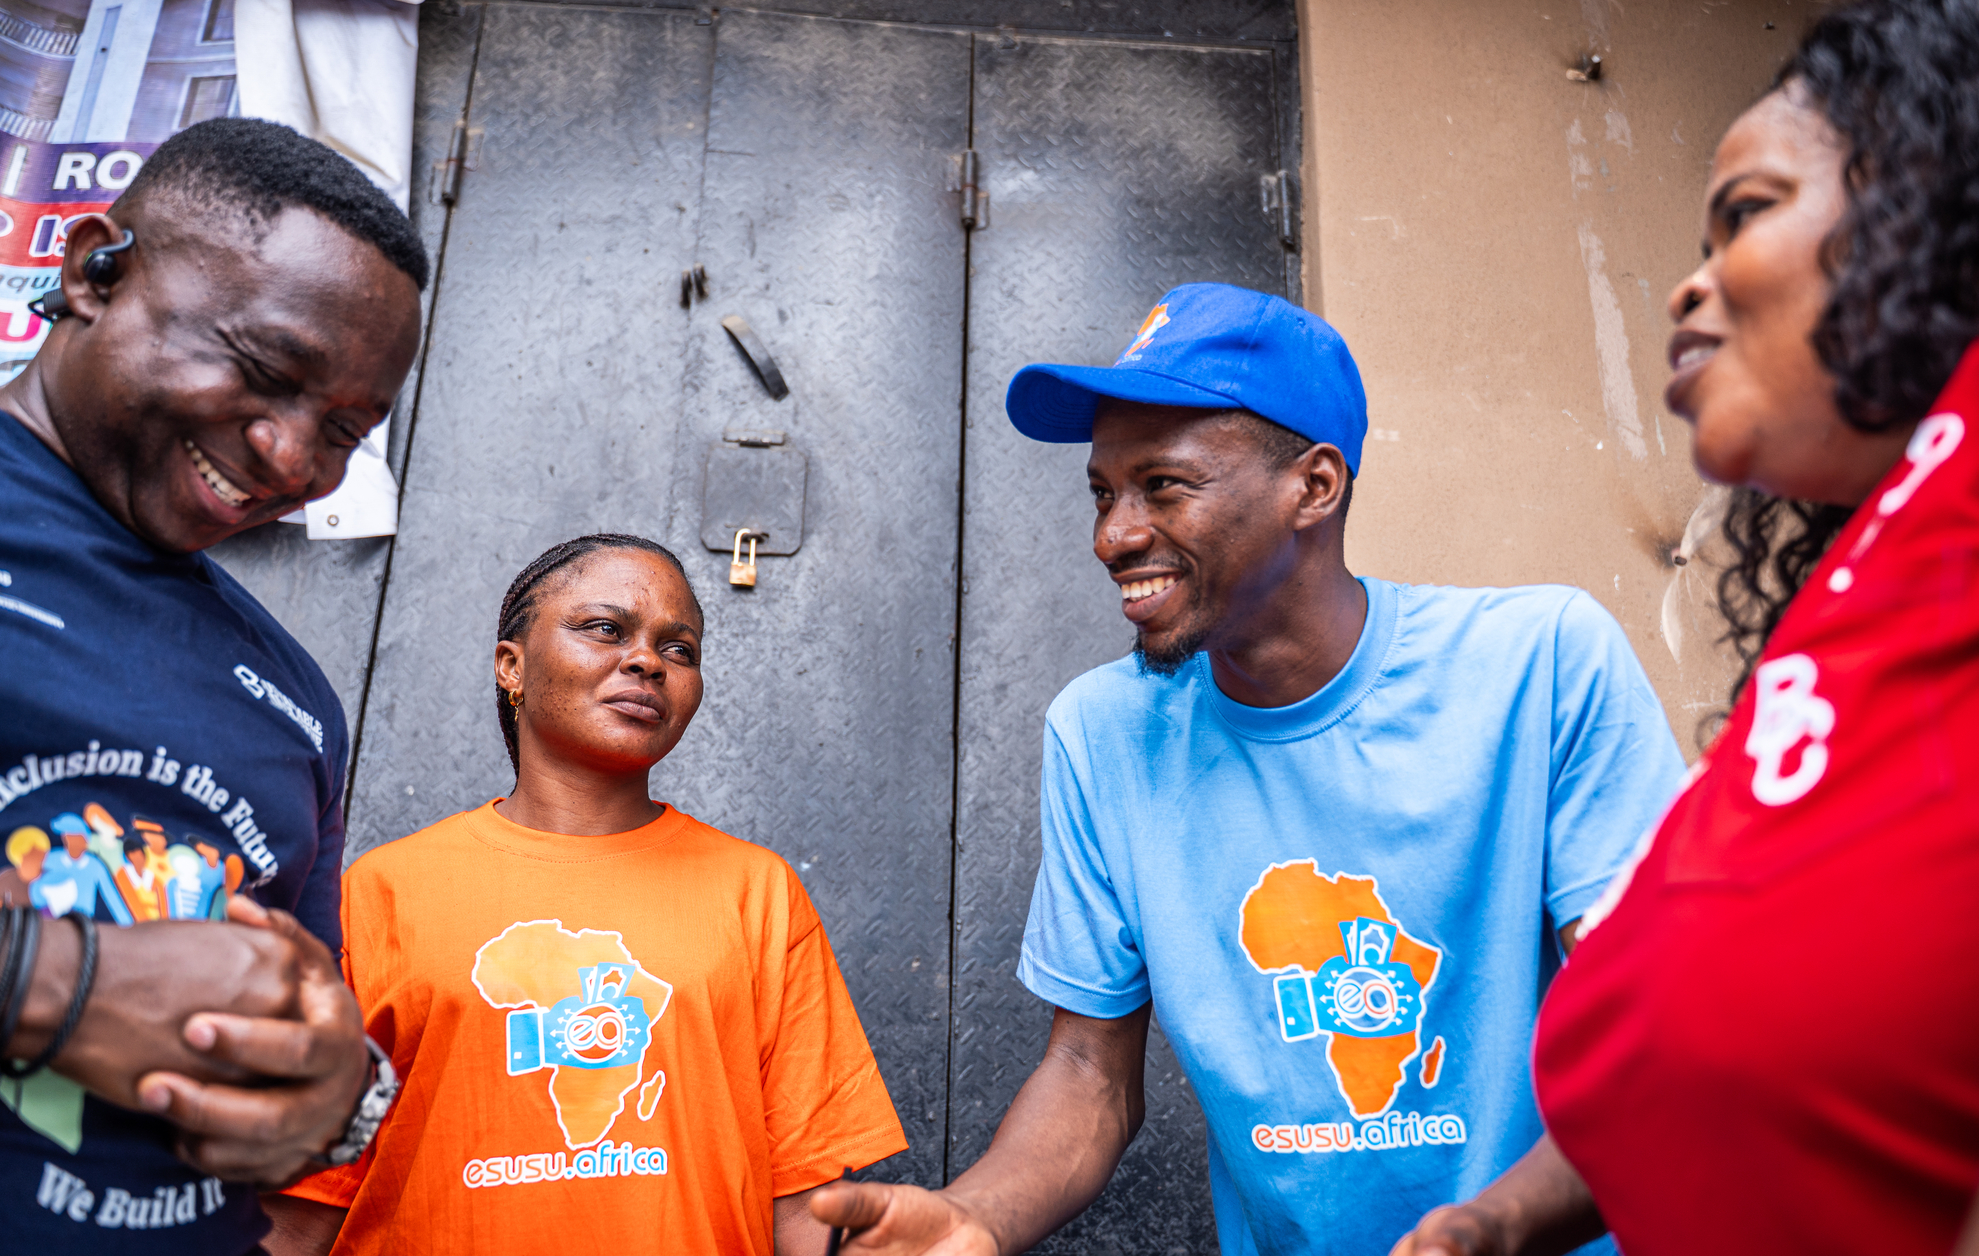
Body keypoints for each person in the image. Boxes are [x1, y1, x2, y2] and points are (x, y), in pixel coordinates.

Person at [809, 283, 1687, 1255]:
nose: (1111, 534)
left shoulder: (1538, 663)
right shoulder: (1100, 733)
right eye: (1102, 492)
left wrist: (1482, 1231)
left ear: (1312, 486)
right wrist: (976, 1212)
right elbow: (1088, 1073)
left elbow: (1663, 1030)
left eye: (1163, 486)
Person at [1391, 3, 1979, 1253]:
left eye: (1749, 211)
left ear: (1931, 215)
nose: (1687, 280)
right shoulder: (1848, 607)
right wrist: (1495, 1221)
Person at [0, 115, 430, 1250]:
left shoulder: (291, 699)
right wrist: (27, 976)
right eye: (265, 371)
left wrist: (336, 1100)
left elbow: (300, 1018)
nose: (292, 458)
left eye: (343, 430)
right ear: (95, 270)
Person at [264, 534, 910, 1255]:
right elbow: (304, 1204)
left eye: (680, 649)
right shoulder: (381, 893)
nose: (647, 661)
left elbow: (810, 1195)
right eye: (605, 629)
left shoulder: (756, 892)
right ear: (511, 665)